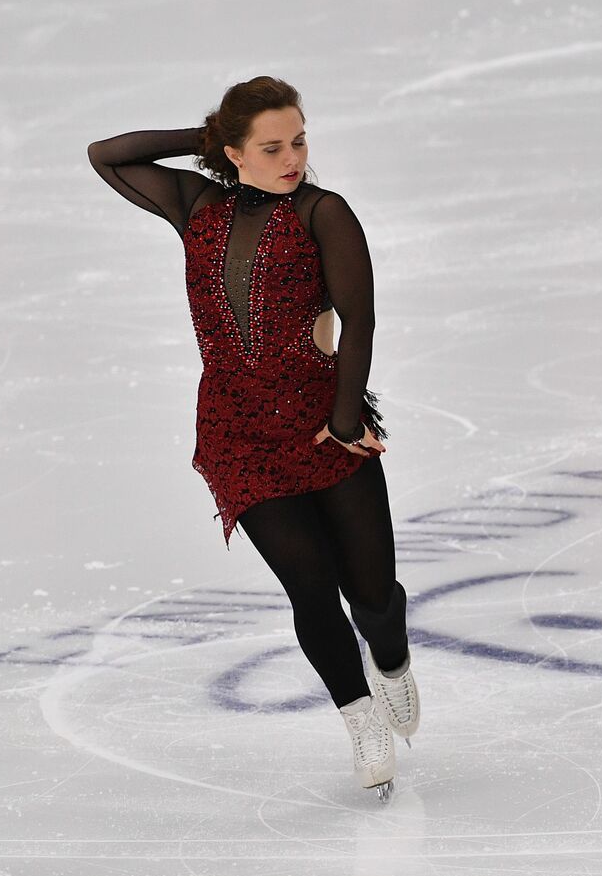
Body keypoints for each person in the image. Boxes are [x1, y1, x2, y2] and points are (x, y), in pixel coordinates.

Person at [87, 75, 418, 801]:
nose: (291, 156)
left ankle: (391, 660)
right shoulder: (196, 204)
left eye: (298, 139)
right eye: (270, 146)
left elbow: (358, 321)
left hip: (322, 420)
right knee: (310, 589)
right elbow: (106, 154)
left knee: (370, 592)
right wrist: (198, 142)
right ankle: (357, 713)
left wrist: (343, 415)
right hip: (237, 433)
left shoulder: (322, 213)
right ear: (233, 152)